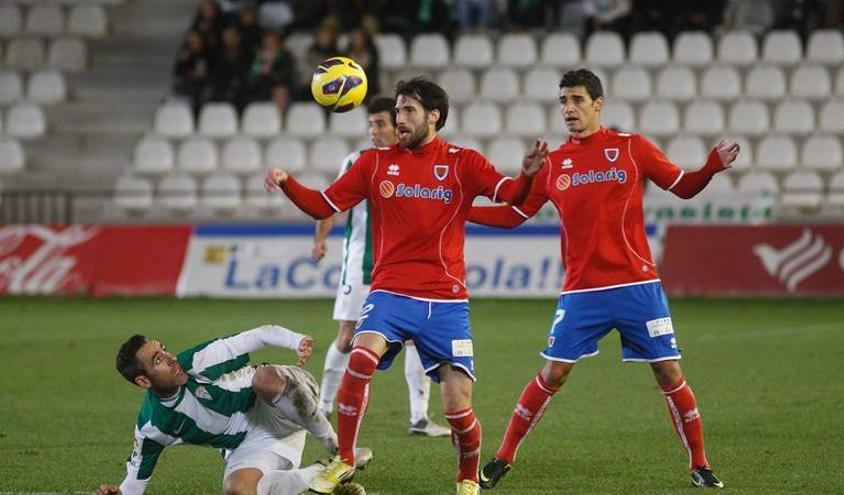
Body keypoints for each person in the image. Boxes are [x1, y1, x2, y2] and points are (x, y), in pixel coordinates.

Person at [264, 77, 549, 495]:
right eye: (398, 110)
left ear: (434, 115)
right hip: (390, 293)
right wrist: (287, 181)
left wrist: (527, 175)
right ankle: (345, 459)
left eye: (409, 110)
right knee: (359, 359)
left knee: (458, 409)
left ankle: (467, 477)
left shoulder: (463, 162)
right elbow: (322, 204)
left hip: (446, 302)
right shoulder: (374, 163)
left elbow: (510, 196)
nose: (400, 118)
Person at [469, 69, 739, 490]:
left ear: (598, 104)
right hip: (582, 291)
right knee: (553, 374)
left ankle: (700, 465)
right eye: (563, 101)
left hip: (637, 286)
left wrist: (710, 167)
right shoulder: (552, 164)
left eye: (577, 100)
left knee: (669, 372)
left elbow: (683, 187)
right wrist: (461, 211)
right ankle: (503, 457)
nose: (569, 108)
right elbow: (513, 215)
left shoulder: (632, 148)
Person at [93, 325, 372, 495]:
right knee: (237, 489)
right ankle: (321, 474)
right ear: (143, 381)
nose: (170, 358)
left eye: (164, 349)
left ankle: (338, 448)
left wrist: (296, 341)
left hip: (285, 399)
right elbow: (134, 484)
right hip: (254, 443)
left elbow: (260, 335)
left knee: (264, 378)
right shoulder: (153, 426)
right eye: (158, 360)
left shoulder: (197, 361)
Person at [311, 96, 450, 437]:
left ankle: (419, 418)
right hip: (362, 265)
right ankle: (323, 405)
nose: (374, 131)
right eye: (371, 124)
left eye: (380, 124)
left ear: (397, 125)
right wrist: (321, 239)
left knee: (415, 339)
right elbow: (331, 202)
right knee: (348, 338)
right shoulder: (357, 160)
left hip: (403, 268)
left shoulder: (415, 159)